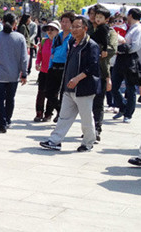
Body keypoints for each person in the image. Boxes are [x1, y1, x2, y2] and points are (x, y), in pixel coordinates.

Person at [40, 16, 100, 152]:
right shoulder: (72, 43)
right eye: (72, 27)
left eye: (77, 27)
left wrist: (77, 79)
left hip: (83, 88)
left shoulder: (91, 45)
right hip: (68, 87)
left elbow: (93, 67)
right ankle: (55, 141)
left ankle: (88, 142)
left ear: (85, 28)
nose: (73, 30)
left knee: (86, 118)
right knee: (64, 116)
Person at [0, 13, 28, 133]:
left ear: (2, 22)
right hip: (13, 75)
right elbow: (24, 58)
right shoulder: (20, 38)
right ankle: (8, 120)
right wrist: (24, 73)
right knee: (10, 99)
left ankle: (1, 124)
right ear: (15, 23)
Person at [112, 8, 141, 123]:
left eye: (128, 16)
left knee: (130, 88)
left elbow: (134, 47)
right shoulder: (130, 29)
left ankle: (128, 113)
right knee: (114, 86)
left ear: (131, 15)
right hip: (122, 60)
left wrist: (121, 47)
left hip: (132, 62)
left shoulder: (138, 30)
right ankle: (123, 107)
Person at [88, 5, 116, 141]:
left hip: (101, 71)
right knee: (86, 102)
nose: (94, 17)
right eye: (92, 14)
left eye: (97, 15)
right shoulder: (86, 29)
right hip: (86, 71)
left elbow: (111, 50)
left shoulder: (109, 32)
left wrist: (96, 50)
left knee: (98, 102)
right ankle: (88, 128)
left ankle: (97, 129)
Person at [45, 12, 74, 121]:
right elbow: (52, 52)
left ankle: (62, 115)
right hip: (54, 67)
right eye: (62, 21)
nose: (64, 24)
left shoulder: (73, 37)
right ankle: (60, 109)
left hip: (65, 67)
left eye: (67, 22)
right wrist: (49, 67)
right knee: (49, 92)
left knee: (63, 93)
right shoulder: (58, 36)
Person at [34, 20, 60, 122]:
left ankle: (48, 114)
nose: (50, 31)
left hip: (54, 71)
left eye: (52, 29)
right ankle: (39, 112)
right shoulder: (44, 41)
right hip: (44, 71)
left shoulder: (60, 42)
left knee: (52, 94)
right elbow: (39, 54)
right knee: (41, 92)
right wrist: (37, 63)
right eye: (48, 29)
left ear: (58, 31)